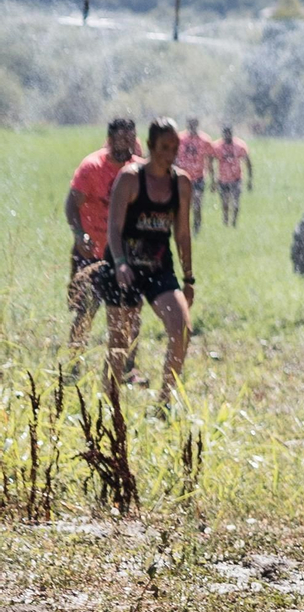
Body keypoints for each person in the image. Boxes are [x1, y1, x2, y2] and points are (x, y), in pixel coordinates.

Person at [99, 118, 195, 409]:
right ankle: (108, 405)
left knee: (181, 329)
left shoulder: (182, 183)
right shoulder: (129, 178)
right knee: (120, 341)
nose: (171, 152)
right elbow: (113, 229)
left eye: (175, 147)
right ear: (151, 146)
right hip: (123, 267)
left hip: (158, 268)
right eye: (165, 147)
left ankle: (164, 403)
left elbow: (182, 233)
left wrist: (189, 278)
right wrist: (120, 263)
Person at [66, 118, 144, 384]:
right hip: (92, 253)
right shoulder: (92, 167)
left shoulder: (138, 169)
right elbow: (70, 205)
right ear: (110, 139)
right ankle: (73, 367)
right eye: (121, 139)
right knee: (86, 310)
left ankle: (126, 370)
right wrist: (80, 234)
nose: (126, 146)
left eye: (131, 140)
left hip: (124, 255)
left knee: (132, 313)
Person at [176, 118, 214, 236]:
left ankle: (196, 229)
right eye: (190, 124)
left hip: (198, 178)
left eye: (194, 124)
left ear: (197, 125)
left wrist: (213, 179)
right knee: (182, 206)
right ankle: (182, 229)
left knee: (197, 205)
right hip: (181, 177)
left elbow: (210, 160)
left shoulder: (205, 140)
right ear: (187, 125)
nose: (192, 127)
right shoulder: (180, 138)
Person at [213, 126, 252, 227]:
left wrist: (250, 179)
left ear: (231, 134)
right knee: (225, 203)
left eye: (228, 134)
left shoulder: (239, 146)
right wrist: (213, 180)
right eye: (225, 134)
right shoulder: (217, 146)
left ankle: (234, 222)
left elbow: (247, 162)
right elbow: (210, 161)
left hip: (236, 179)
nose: (227, 136)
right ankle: (225, 221)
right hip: (223, 179)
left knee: (235, 202)